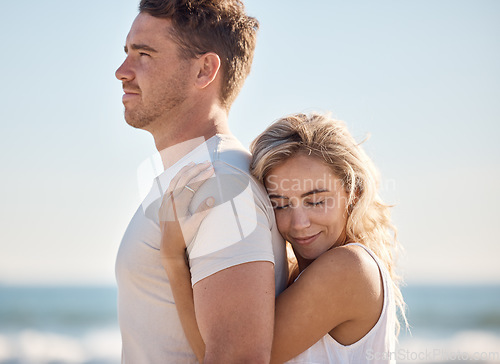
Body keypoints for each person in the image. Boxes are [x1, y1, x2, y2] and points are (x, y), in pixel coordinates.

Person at [114, 0, 288, 363]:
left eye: (144, 54)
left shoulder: (221, 186)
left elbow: (238, 359)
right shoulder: (194, 174)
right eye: (127, 52)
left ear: (204, 70)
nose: (122, 71)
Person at [161, 112, 408, 363]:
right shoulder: (294, 277)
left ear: (353, 193)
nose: (299, 223)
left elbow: (229, 357)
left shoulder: (350, 268)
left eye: (316, 201)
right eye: (280, 205)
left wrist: (172, 259)